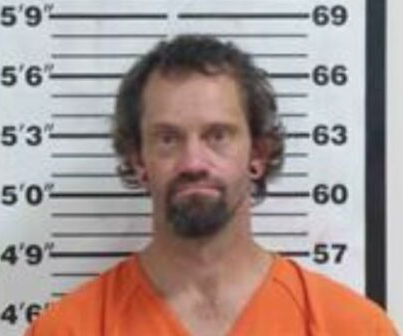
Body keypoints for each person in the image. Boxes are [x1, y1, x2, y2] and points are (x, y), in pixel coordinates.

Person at [25, 35, 397, 335]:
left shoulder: (353, 328)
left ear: (258, 154)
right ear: (138, 160)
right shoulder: (67, 329)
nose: (193, 163)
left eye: (217, 135)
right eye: (168, 139)